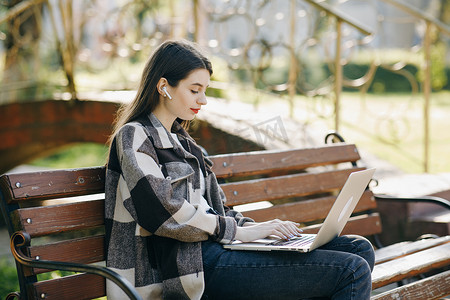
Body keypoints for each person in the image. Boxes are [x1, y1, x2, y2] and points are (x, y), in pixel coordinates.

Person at [105, 39, 375, 300]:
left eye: (205, 90)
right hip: (187, 266)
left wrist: (260, 231)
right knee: (352, 271)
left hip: (216, 251)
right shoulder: (135, 136)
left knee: (358, 248)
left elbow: (217, 211)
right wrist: (238, 232)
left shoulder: (183, 141)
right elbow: (161, 212)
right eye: (195, 89)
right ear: (164, 86)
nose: (204, 99)